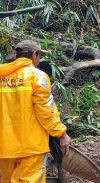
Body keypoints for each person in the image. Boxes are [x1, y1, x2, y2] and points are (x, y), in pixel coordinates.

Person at [0, 40, 71, 182]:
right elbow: (45, 109)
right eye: (40, 56)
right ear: (35, 54)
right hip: (31, 146)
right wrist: (61, 133)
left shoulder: (2, 75)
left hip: (5, 146)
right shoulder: (37, 76)